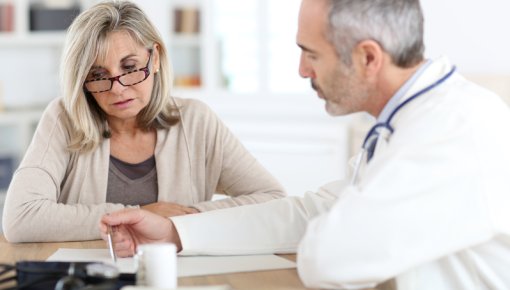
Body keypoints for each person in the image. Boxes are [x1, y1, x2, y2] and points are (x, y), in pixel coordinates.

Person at [100, 0, 510, 289]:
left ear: (368, 58)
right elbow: (309, 213)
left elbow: (328, 257)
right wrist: (175, 231)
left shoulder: (456, 130)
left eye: (310, 53)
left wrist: (326, 223)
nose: (301, 70)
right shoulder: (410, 121)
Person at [1, 1, 285, 243]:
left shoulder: (197, 121)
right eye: (98, 75)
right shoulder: (64, 117)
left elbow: (273, 199)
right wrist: (142, 214)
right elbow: (20, 217)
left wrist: (184, 221)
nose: (118, 88)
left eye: (130, 67)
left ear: (156, 58)